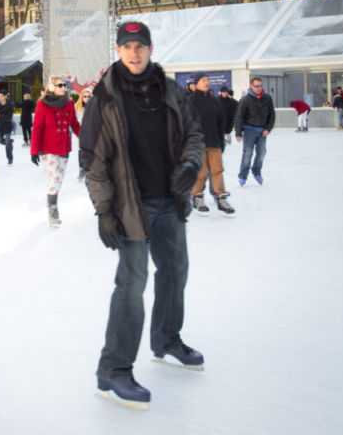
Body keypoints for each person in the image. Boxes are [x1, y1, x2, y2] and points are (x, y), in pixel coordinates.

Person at [79, 21, 204, 409]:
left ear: (150, 49)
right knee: (131, 285)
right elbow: (93, 160)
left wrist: (189, 165)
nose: (134, 53)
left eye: (140, 46)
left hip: (169, 200)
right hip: (130, 205)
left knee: (175, 270)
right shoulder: (105, 98)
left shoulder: (169, 90)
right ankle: (113, 369)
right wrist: (104, 211)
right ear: (118, 51)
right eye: (127, 46)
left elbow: (194, 135)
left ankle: (166, 338)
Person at [30, 75, 82, 227]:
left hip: (63, 147)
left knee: (58, 180)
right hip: (48, 148)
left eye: (64, 85)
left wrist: (86, 138)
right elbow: (37, 128)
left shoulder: (70, 103)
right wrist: (34, 150)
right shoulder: (42, 104)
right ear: (52, 87)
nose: (64, 88)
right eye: (60, 85)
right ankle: (53, 210)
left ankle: (53, 205)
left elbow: (75, 124)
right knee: (54, 179)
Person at [190, 74, 233, 216]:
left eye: (208, 80)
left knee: (217, 170)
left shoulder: (215, 101)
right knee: (200, 173)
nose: (207, 82)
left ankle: (221, 198)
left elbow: (221, 122)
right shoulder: (190, 102)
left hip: (214, 142)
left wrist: (221, 140)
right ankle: (197, 197)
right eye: (203, 80)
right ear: (196, 84)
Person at [233, 77, 274, 186]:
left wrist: (268, 129)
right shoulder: (245, 100)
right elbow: (239, 117)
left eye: (260, 86)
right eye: (256, 86)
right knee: (248, 153)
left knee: (261, 153)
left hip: (262, 132)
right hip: (249, 131)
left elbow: (272, 115)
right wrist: (238, 132)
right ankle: (243, 175)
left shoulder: (267, 98)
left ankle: (256, 171)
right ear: (251, 86)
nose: (258, 88)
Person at [0, 91, 16, 166]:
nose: (0, 98)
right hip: (0, 126)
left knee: (7, 144)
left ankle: (10, 159)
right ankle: (10, 142)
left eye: (2, 96)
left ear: (5, 96)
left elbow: (9, 117)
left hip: (8, 125)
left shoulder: (10, 105)